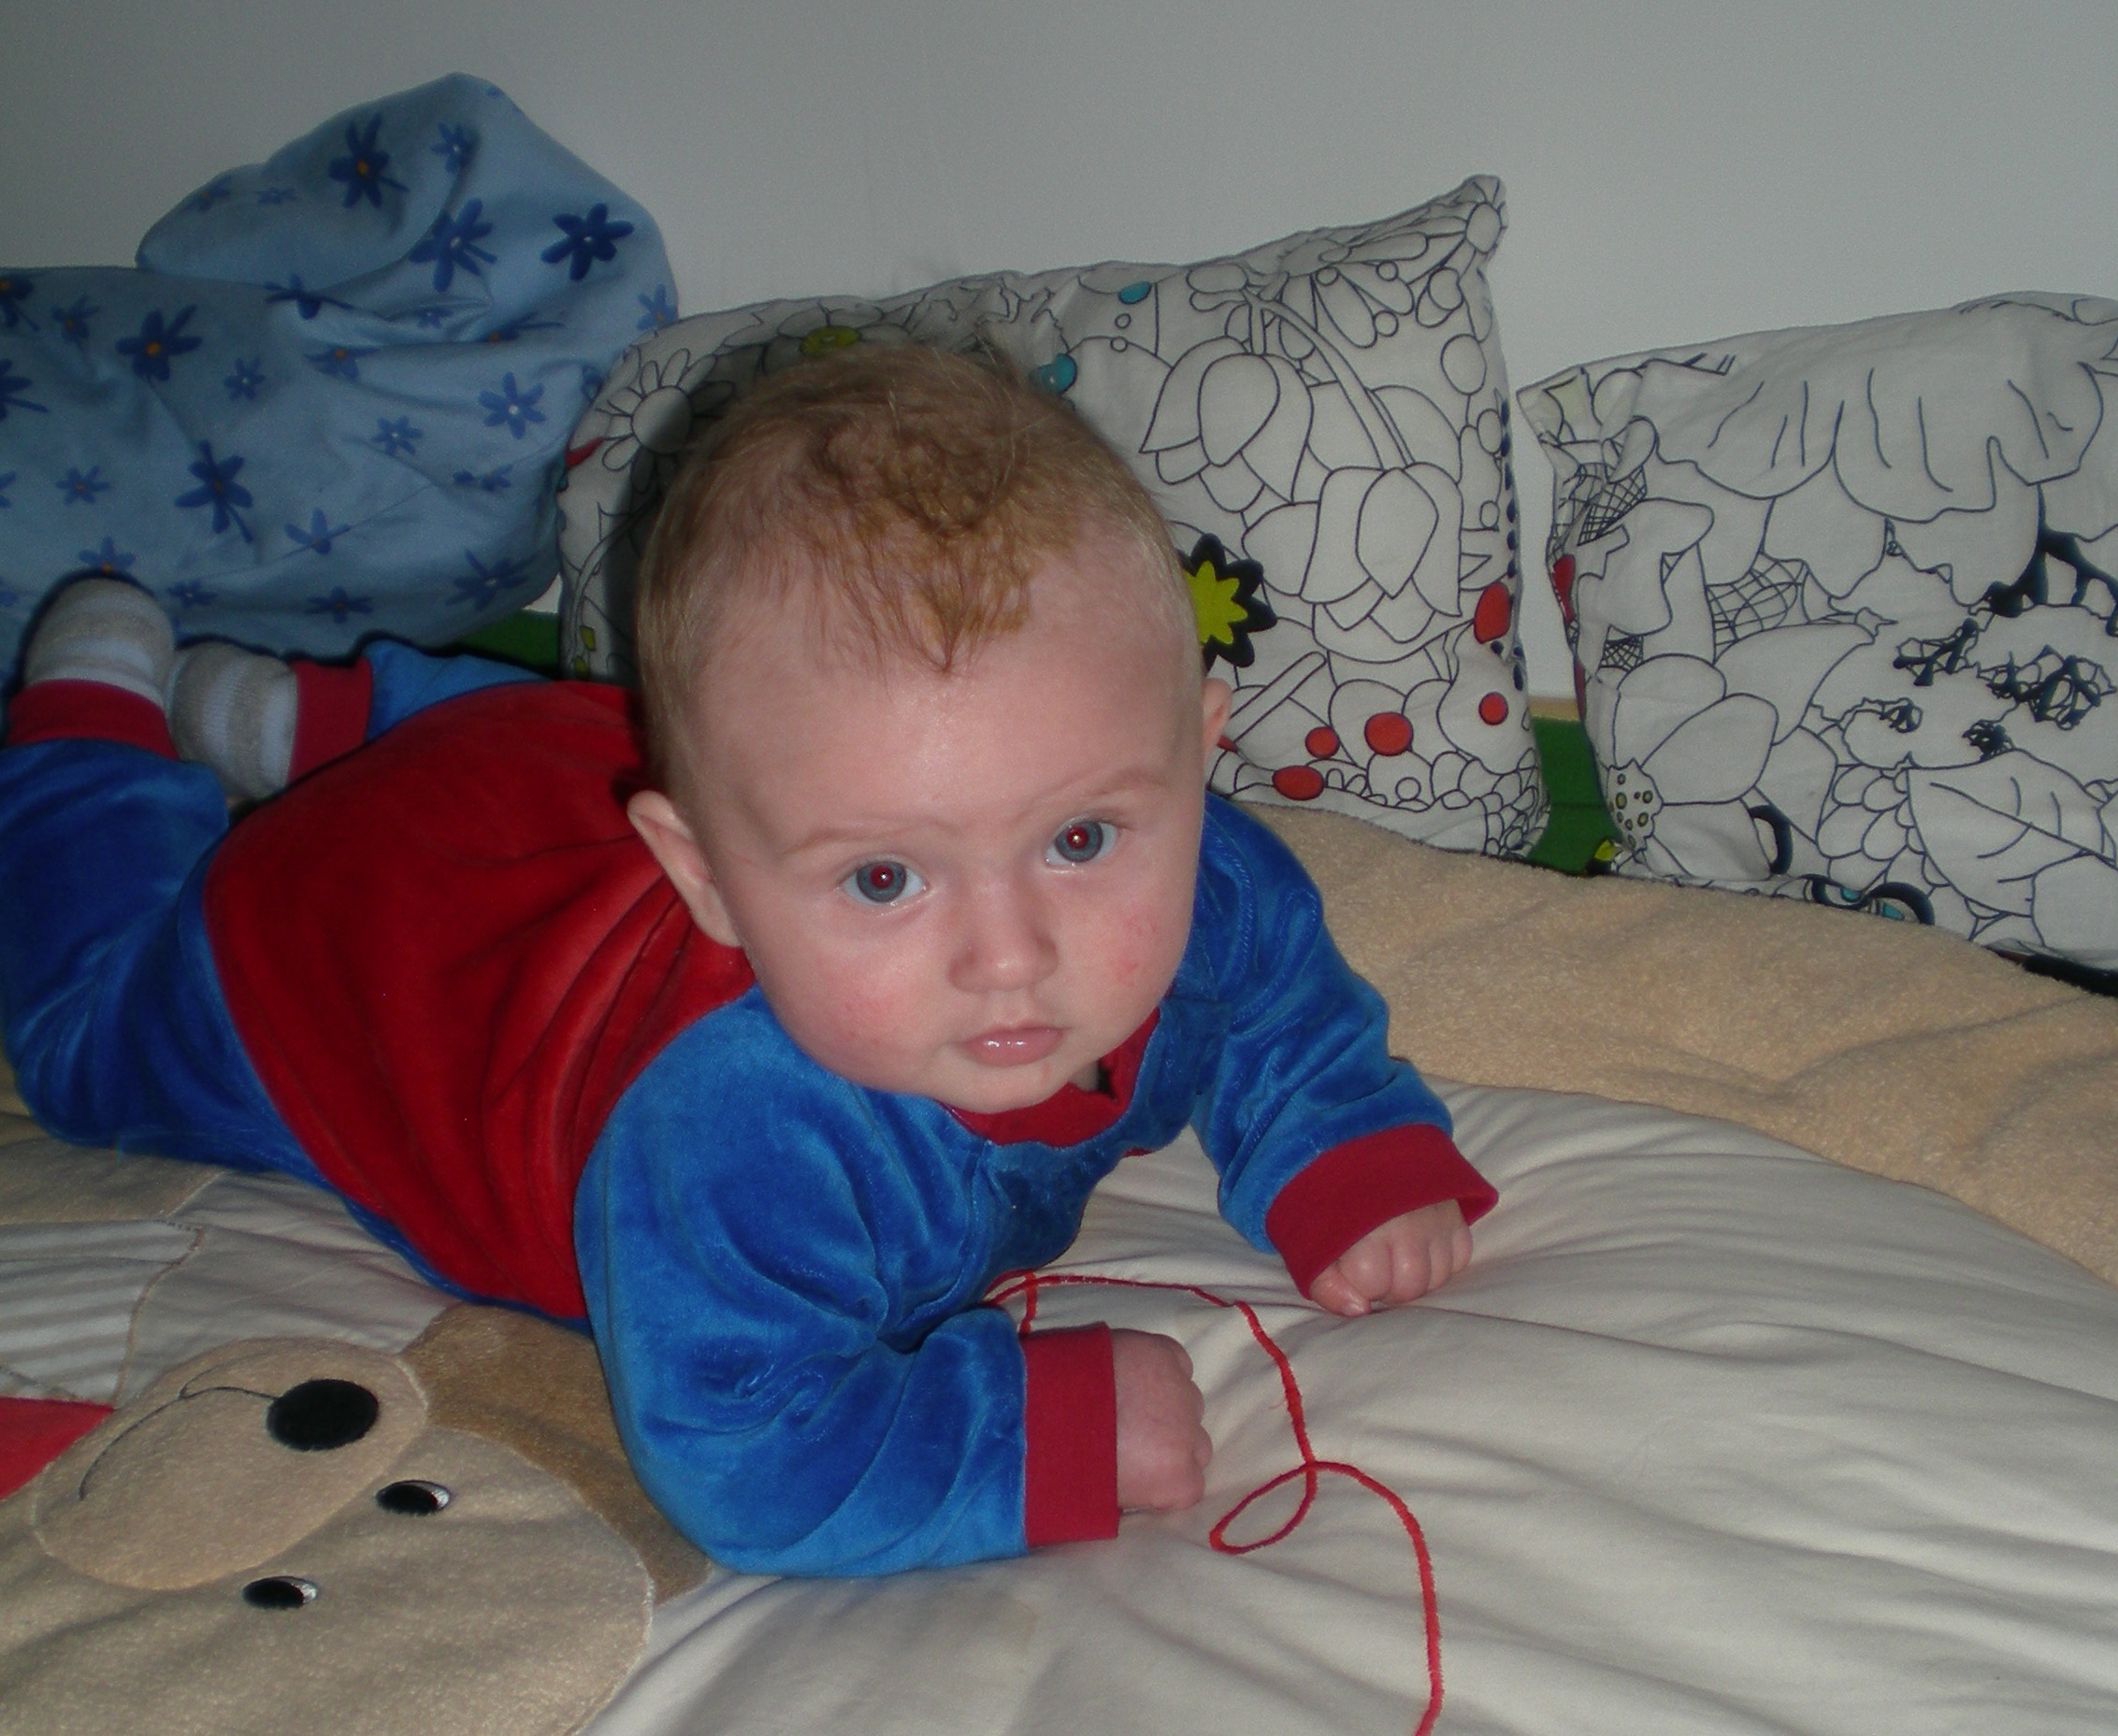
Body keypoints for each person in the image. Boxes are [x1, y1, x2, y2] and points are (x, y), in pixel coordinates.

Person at [0, 344, 1494, 1575]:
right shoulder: (734, 1136)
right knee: (80, 1051)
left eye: (1082, 839)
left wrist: (1341, 1144)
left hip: (545, 792)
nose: (1010, 954)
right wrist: (1039, 1432)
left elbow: (1273, 993)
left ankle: (312, 716)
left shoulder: (1205, 877)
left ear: (1195, 757)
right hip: (348, 953)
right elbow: (744, 1450)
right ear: (704, 884)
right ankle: (91, 727)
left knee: (637, 751)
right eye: (887, 878)